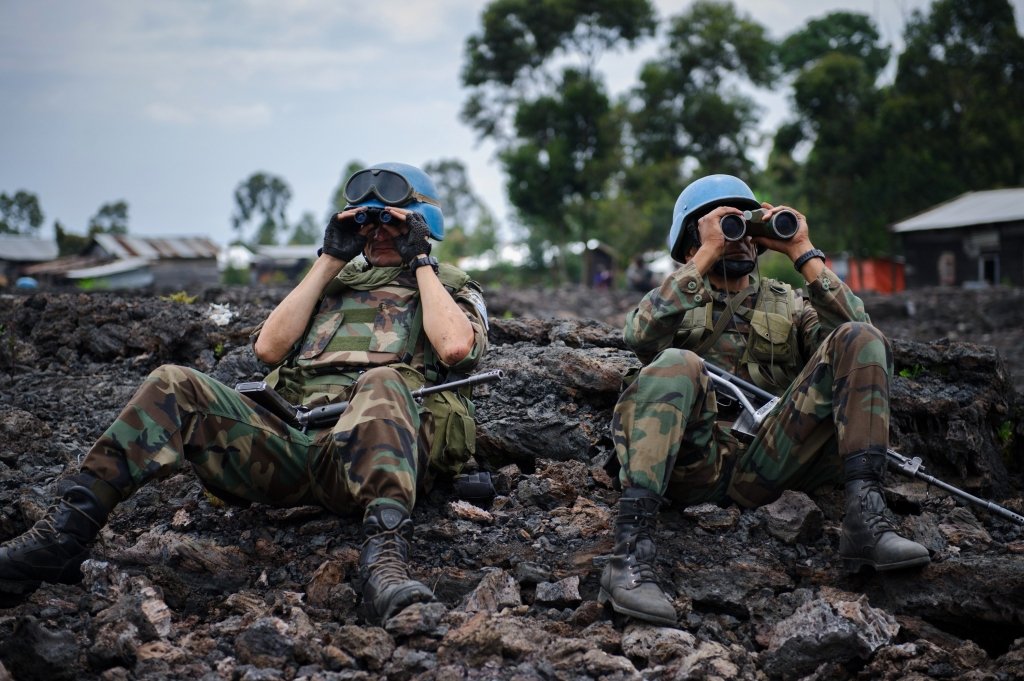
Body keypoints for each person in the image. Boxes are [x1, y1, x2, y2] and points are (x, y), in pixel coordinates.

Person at [0, 162, 490, 625]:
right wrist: (331, 258)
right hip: (295, 449)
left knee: (383, 381)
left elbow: (454, 347)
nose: (378, 233)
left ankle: (385, 560)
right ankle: (63, 537)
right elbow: (270, 348)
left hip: (373, 460)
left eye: (392, 224)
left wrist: (420, 260)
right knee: (174, 381)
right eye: (367, 224)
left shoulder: (447, 287)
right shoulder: (333, 284)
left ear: (421, 223)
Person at [599, 174, 929, 627]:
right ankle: (630, 555)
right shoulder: (677, 296)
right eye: (724, 226)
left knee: (860, 336)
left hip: (770, 460)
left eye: (744, 227)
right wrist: (706, 254)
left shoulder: (789, 304)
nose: (739, 239)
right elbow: (638, 335)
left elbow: (860, 338)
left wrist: (801, 252)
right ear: (691, 240)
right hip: (695, 461)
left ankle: (865, 519)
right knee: (676, 361)